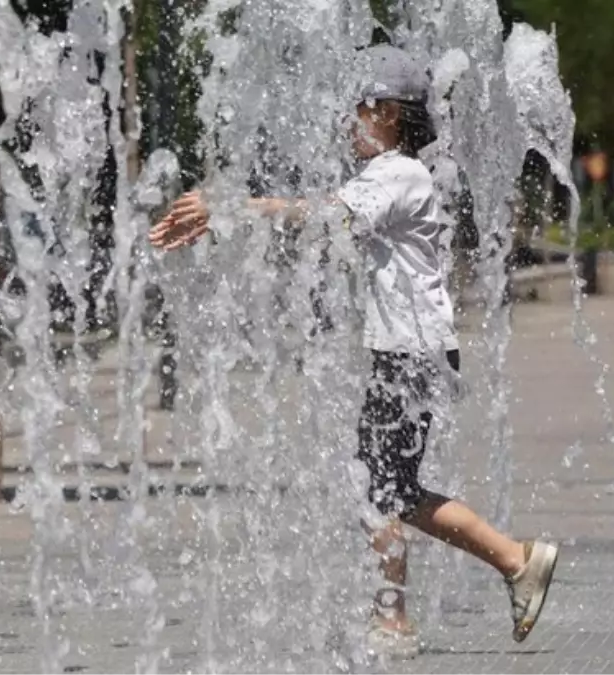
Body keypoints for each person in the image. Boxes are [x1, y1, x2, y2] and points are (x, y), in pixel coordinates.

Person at [148, 45, 558, 659]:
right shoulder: (387, 173)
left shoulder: (399, 173)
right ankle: (505, 564)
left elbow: (325, 219)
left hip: (412, 353)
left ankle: (415, 610)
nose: (348, 123)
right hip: (410, 351)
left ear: (389, 114)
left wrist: (228, 206)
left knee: (380, 486)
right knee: (388, 487)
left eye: (358, 110)